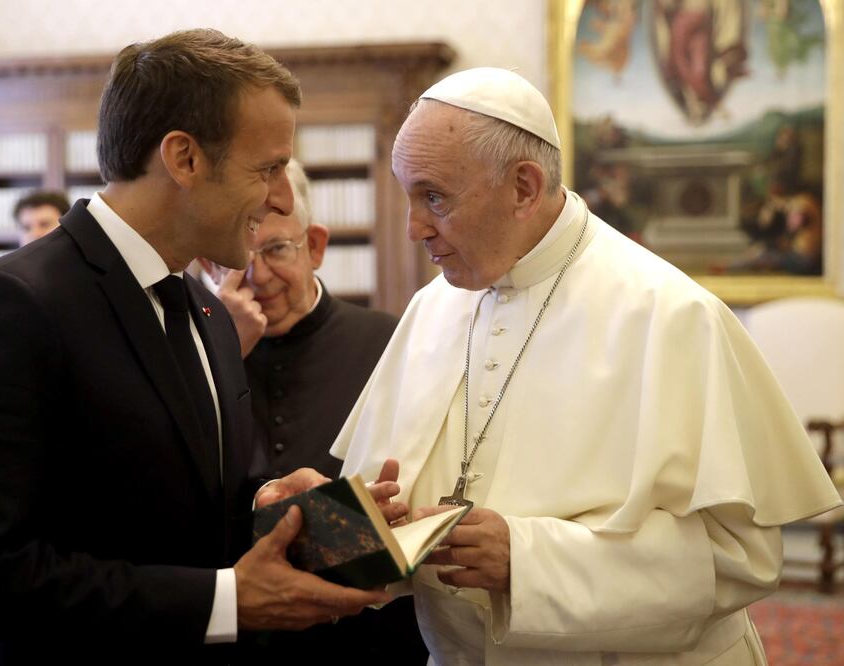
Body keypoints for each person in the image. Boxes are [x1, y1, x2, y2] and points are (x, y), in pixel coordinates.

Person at [330, 67, 842, 665]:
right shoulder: (431, 309)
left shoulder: (670, 315)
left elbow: (741, 558)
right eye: (408, 197)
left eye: (434, 196)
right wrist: (339, 524)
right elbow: (387, 515)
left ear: (523, 187)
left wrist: (526, 560)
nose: (414, 227)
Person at [0, 30, 395, 666]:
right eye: (267, 168)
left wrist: (268, 502)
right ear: (184, 158)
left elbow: (175, 505)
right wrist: (226, 601)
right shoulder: (9, 305)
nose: (281, 198)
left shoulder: (204, 312)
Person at [202, 159, 427, 663]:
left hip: (367, 635)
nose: (255, 276)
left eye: (277, 249)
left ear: (317, 246)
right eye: (231, 257)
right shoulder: (189, 350)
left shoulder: (392, 343)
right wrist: (219, 351)